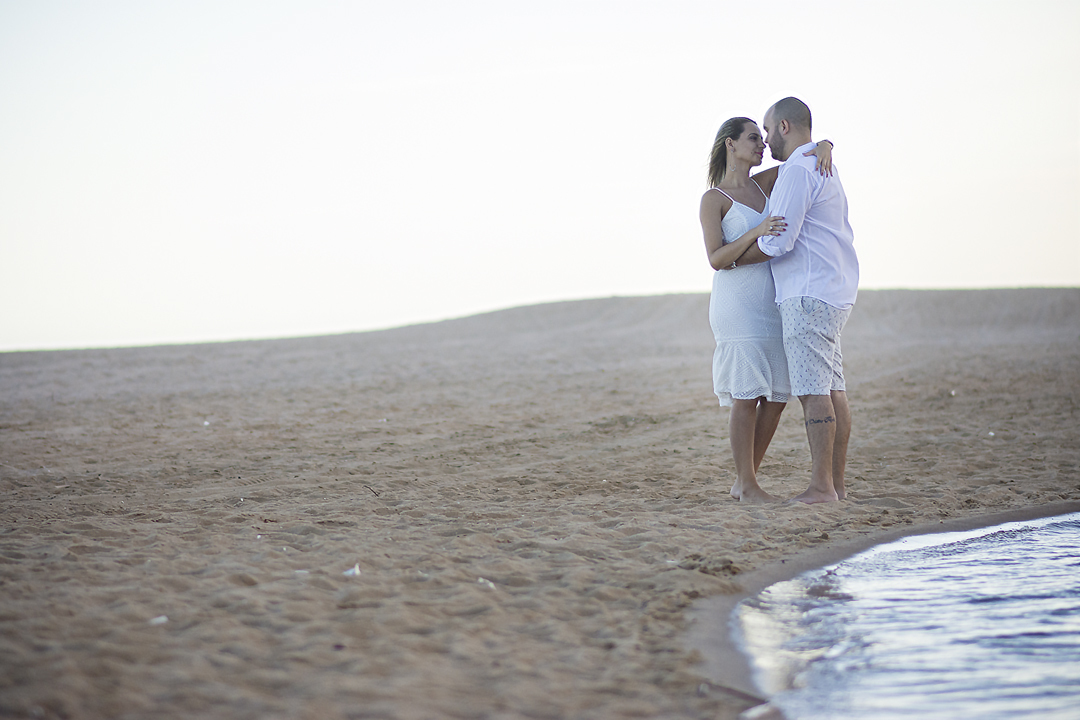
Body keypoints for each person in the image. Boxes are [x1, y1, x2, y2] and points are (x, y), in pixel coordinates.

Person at [731, 97, 859, 504]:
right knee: (834, 389)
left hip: (807, 293)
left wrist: (733, 258)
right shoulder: (821, 164)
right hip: (833, 290)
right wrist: (826, 143)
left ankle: (822, 487)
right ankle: (835, 486)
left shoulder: (799, 171)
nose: (766, 140)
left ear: (784, 126)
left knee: (813, 393)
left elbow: (778, 240)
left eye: (768, 130)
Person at [700, 117, 833, 503]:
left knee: (776, 397)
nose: (762, 144)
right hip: (737, 304)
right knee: (746, 395)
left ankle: (745, 481)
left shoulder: (766, 183)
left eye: (763, 136)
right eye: (753, 138)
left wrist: (826, 145)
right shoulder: (714, 199)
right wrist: (756, 232)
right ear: (730, 144)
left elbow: (802, 159)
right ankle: (748, 483)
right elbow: (715, 258)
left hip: (773, 303)